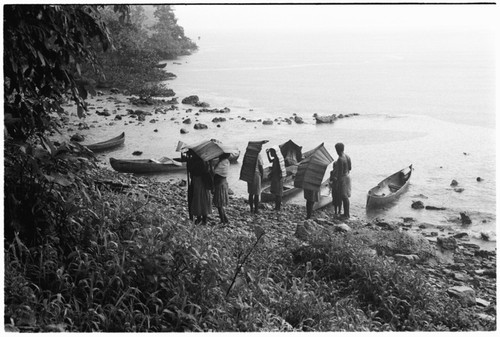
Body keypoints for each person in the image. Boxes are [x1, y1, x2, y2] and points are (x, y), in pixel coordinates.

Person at [187, 150, 212, 225]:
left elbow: (191, 171)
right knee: (203, 200)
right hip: (203, 184)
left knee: (197, 200)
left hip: (198, 183)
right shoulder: (204, 162)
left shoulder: (195, 162)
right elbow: (208, 172)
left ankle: (199, 219)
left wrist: (189, 160)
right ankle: (204, 219)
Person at [334, 143, 352, 218]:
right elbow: (350, 168)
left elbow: (340, 173)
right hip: (348, 176)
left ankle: (346, 214)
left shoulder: (340, 159)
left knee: (344, 196)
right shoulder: (347, 156)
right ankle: (346, 213)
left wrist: (337, 182)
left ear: (337, 150)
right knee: (346, 196)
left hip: (343, 178)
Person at [213, 153, 230, 224]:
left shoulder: (222, 163)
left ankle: (223, 220)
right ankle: (225, 219)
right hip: (223, 183)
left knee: (219, 203)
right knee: (220, 203)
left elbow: (215, 172)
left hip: (220, 184)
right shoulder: (226, 161)